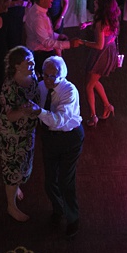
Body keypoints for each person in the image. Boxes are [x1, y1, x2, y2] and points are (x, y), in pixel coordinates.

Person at [24, 55, 85, 238]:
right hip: (50, 137)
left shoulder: (69, 91)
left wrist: (39, 112)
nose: (49, 80)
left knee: (66, 180)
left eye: (53, 76)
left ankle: (73, 219)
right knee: (50, 181)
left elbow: (59, 120)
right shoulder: (42, 85)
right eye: (46, 75)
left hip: (69, 138)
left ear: (62, 75)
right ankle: (58, 210)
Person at [0, 48, 39, 222]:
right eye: (27, 62)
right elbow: (10, 115)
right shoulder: (9, 86)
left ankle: (16, 186)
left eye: (32, 60)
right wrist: (25, 110)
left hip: (27, 131)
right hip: (12, 134)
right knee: (12, 168)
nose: (32, 64)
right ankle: (11, 206)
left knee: (23, 163)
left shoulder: (33, 76)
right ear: (16, 66)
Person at [75, 0, 121, 126]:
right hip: (109, 52)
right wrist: (88, 23)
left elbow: (99, 45)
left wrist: (82, 42)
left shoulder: (101, 24)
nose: (94, 2)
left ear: (102, 7)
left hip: (101, 55)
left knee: (89, 85)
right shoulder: (112, 19)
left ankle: (93, 116)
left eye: (97, 1)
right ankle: (107, 106)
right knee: (94, 82)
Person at [24, 0, 71, 66]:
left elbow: (44, 33)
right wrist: (69, 44)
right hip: (41, 55)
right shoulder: (38, 17)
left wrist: (57, 36)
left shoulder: (39, 10)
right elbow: (46, 42)